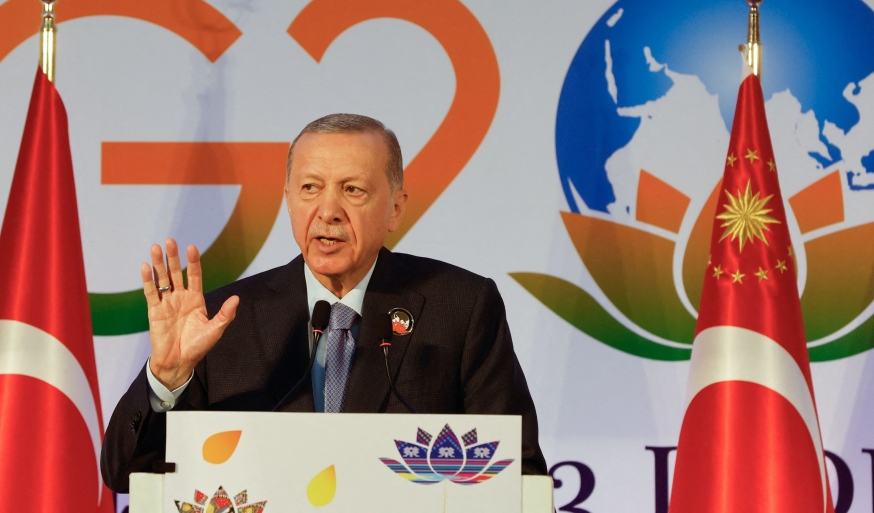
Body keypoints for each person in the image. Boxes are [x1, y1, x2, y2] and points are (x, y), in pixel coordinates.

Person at [100, 114, 546, 492]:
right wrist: (167, 378)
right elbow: (126, 474)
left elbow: (517, 472)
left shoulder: (461, 308)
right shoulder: (223, 321)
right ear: (289, 200)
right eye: (311, 188)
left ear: (395, 208)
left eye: (353, 190)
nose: (328, 210)